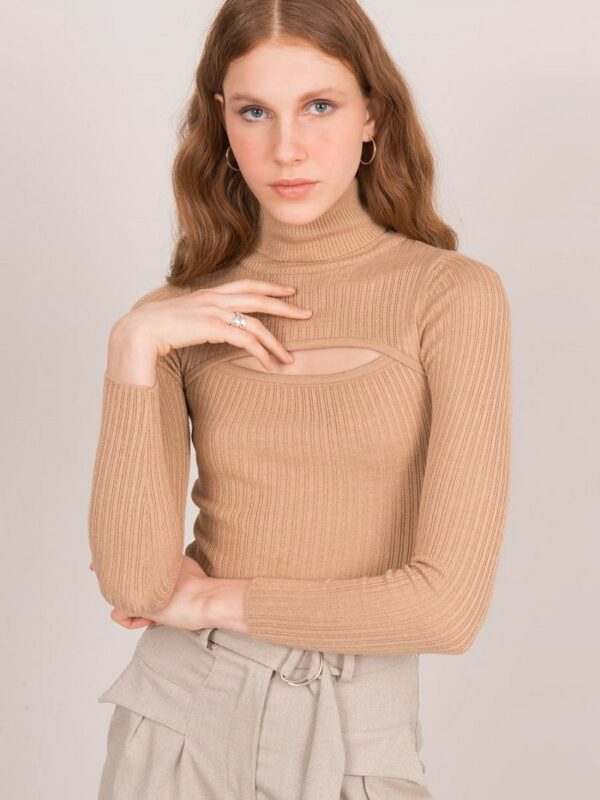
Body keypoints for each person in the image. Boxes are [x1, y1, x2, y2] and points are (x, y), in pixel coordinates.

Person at [87, 1, 512, 798]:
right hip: (176, 720)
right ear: (222, 122)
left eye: (320, 105)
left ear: (371, 115)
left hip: (353, 729)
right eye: (255, 111)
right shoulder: (180, 314)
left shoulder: (449, 295)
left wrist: (212, 599)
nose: (287, 147)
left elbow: (445, 611)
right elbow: (136, 586)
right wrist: (132, 344)